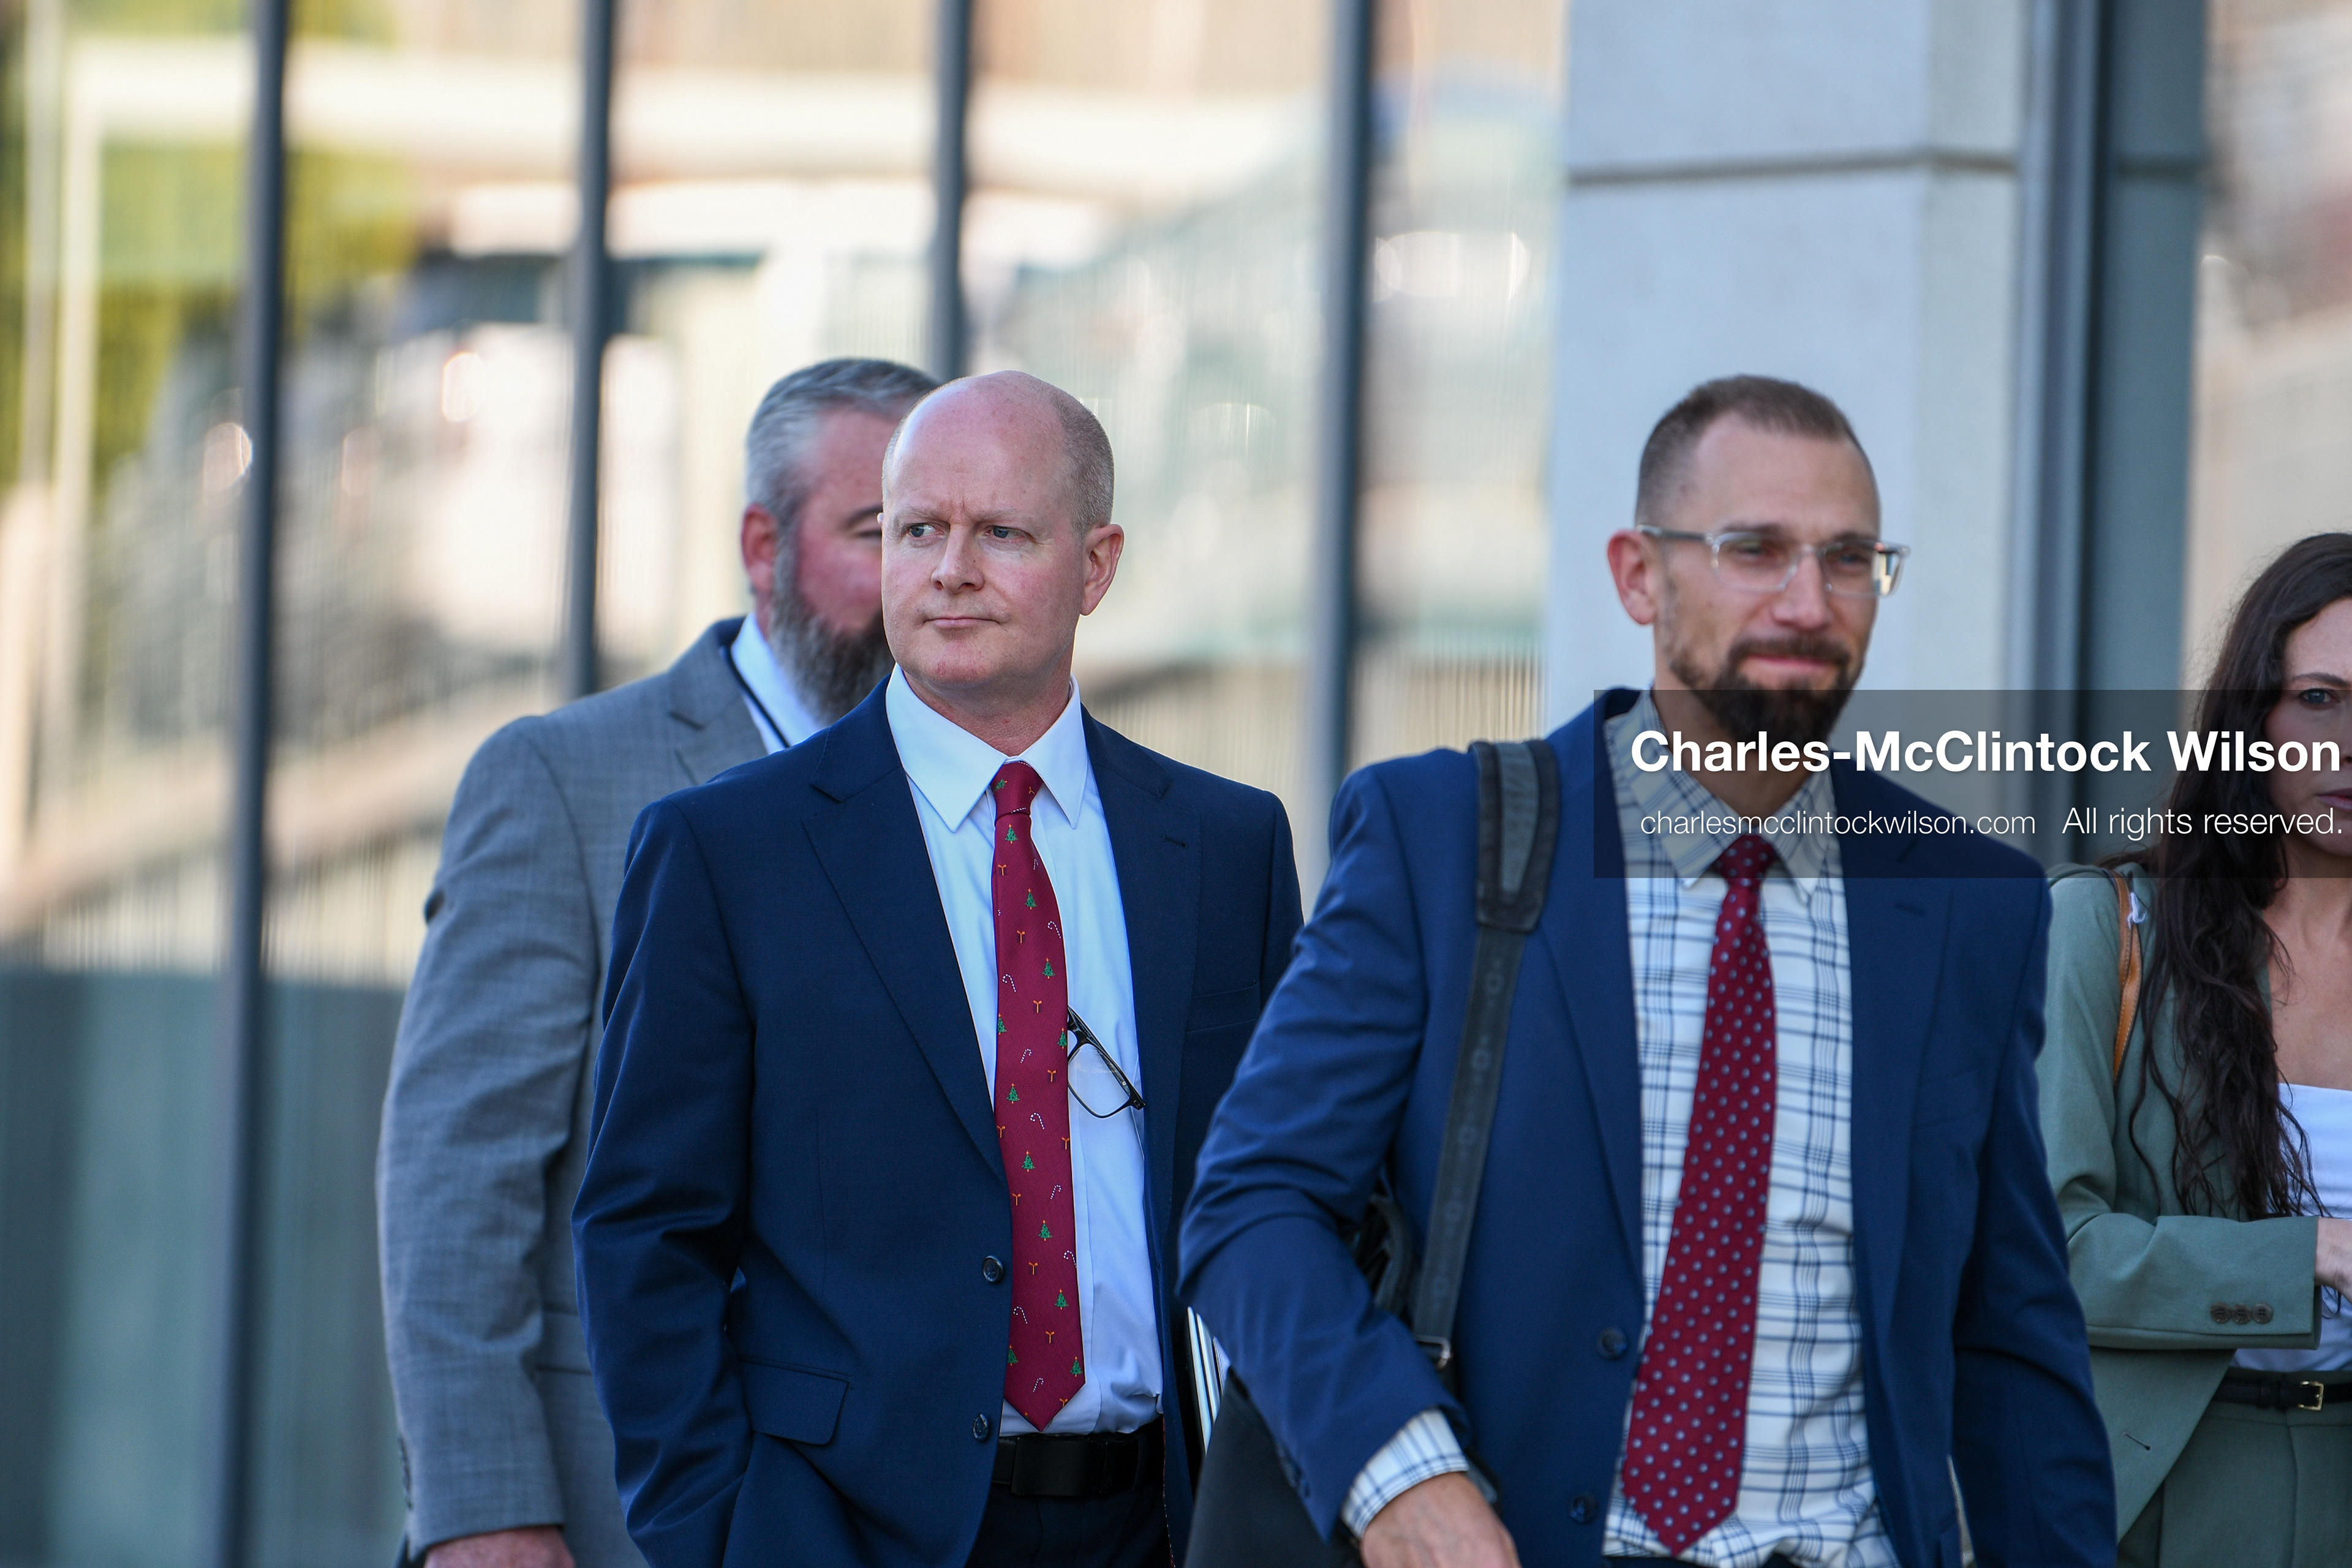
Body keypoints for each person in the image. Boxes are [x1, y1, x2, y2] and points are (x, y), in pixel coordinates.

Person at [1180, 374, 2114, 1568]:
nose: (1806, 598)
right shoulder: (1443, 835)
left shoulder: (1969, 902)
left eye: (1847, 558)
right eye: (1754, 549)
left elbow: (2012, 1338)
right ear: (1637, 571)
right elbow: (1252, 1204)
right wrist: (1403, 1473)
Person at [571, 370, 1303, 1568]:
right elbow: (644, 1230)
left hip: (1165, 1522)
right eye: (918, 529)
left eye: (1001, 532)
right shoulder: (727, 850)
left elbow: (1282, 1196)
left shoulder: (1226, 847)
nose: (950, 568)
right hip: (838, 1529)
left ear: (1098, 563)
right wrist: (716, 1534)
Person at [377, 356, 937, 1568]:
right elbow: (456, 1180)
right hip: (614, 1504)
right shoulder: (562, 782)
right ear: (761, 543)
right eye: (879, 533)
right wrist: (485, 1510)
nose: (922, 581)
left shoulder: (981, 810)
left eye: (942, 533)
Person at [2039, 532, 2352, 1566]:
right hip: (2165, 1484)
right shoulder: (2109, 930)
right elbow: (2050, 1248)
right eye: (2319, 697)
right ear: (2250, 717)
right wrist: (2307, 1254)